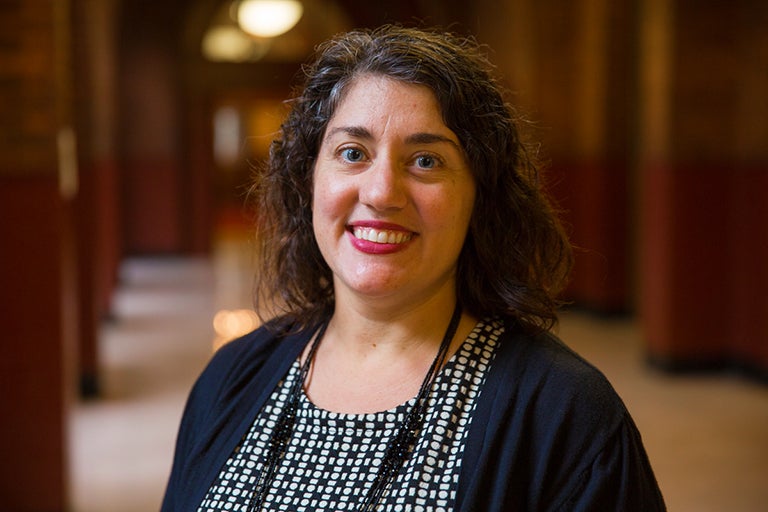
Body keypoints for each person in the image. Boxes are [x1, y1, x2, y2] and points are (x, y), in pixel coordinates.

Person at [162, 25, 665, 511]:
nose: (381, 192)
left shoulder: (567, 416)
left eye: (426, 160)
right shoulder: (229, 379)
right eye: (352, 153)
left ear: (480, 196)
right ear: (309, 180)